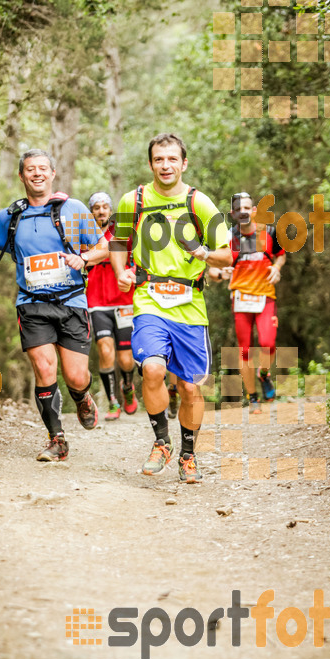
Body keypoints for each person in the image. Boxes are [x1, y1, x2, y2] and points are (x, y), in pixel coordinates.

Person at [0, 149, 108, 461]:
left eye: (43, 168)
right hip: (32, 304)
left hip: (71, 303)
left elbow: (104, 247)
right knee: (43, 368)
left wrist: (84, 258)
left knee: (76, 376)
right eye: (30, 169)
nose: (37, 173)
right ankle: (57, 439)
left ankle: (81, 396)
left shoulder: (74, 208)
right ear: (22, 176)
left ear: (52, 174)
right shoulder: (13, 216)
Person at [109, 132, 232, 483]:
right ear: (150, 164)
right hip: (148, 298)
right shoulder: (132, 200)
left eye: (172, 159)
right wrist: (120, 271)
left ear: (184, 163)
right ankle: (161, 442)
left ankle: (188, 455)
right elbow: (118, 241)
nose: (165, 165)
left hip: (190, 305)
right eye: (159, 159)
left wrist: (203, 254)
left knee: (191, 388)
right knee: (151, 368)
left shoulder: (200, 203)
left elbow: (228, 251)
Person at [209, 191, 286, 413]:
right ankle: (253, 398)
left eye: (247, 208)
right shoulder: (228, 239)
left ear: (253, 211)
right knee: (245, 351)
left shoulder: (269, 232)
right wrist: (220, 273)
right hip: (241, 300)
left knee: (268, 343)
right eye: (238, 209)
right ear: (233, 214)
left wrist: (277, 267)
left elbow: (281, 254)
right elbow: (213, 269)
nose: (243, 212)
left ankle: (264, 374)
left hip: (265, 297)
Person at [86, 191, 138, 421]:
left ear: (110, 209)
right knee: (106, 352)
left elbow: (136, 257)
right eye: (96, 207)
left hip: (124, 299)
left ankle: (128, 387)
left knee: (126, 358)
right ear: (91, 212)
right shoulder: (84, 234)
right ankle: (112, 401)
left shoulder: (122, 232)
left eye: (104, 206)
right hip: (97, 302)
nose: (101, 211)